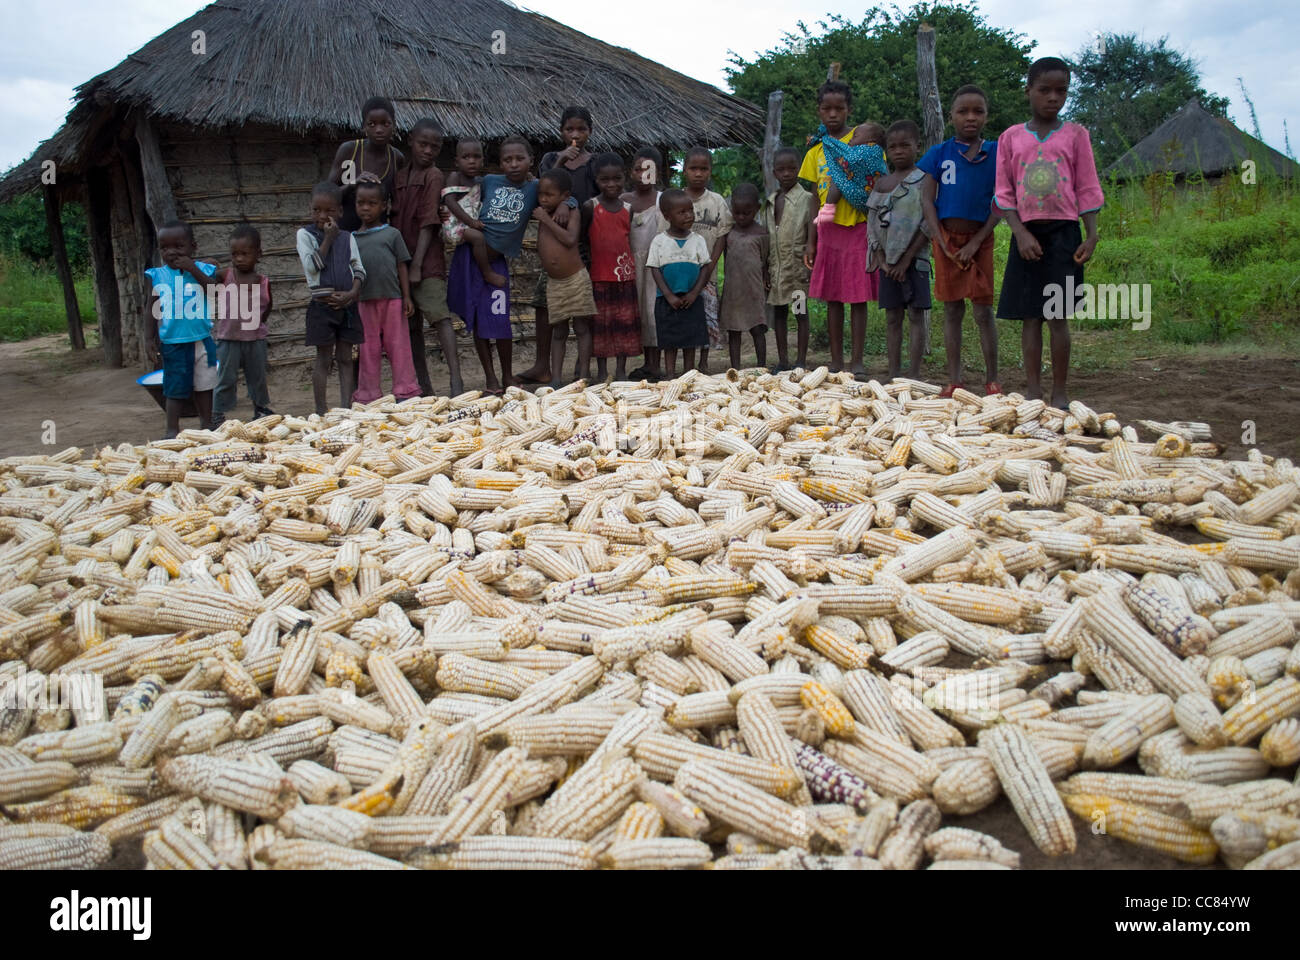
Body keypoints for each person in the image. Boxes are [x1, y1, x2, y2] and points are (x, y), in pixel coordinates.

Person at [995, 56, 1104, 408]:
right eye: (1044, 90)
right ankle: (1033, 389)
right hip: (1026, 232)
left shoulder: (1076, 135)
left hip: (1065, 233)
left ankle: (1059, 390)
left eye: (1061, 91)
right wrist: (1020, 233)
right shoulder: (1011, 137)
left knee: (1057, 315)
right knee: (1031, 315)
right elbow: (1004, 191)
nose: (1053, 97)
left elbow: (1087, 186)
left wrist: (1091, 234)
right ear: (1028, 91)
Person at [919, 85, 1001, 397]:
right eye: (963, 111)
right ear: (951, 115)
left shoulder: (995, 153)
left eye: (978, 111)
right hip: (947, 242)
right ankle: (955, 379)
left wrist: (976, 242)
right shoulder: (938, 154)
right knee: (952, 310)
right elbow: (928, 201)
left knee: (983, 310)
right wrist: (941, 241)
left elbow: (1002, 201)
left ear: (986, 116)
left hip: (980, 240)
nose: (970, 118)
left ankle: (992, 379)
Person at [800, 81, 877, 376]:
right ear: (819, 110)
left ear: (849, 110)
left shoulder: (863, 143)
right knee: (833, 297)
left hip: (858, 226)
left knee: (858, 297)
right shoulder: (815, 151)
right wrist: (811, 240)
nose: (833, 114)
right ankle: (835, 360)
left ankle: (857, 360)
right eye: (826, 109)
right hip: (827, 230)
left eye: (839, 109)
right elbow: (811, 198)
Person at [518, 106, 598, 386]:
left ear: (590, 130)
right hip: (554, 250)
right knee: (547, 307)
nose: (575, 135)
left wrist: (569, 203)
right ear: (561, 131)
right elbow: (541, 186)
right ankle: (545, 366)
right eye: (569, 130)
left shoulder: (593, 162)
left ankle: (582, 366)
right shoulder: (552, 159)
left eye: (581, 130)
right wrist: (561, 161)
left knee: (584, 312)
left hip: (582, 241)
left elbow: (593, 198)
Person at [394, 118, 461, 397]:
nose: (428, 151)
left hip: (426, 260)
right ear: (410, 141)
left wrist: (417, 264)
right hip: (400, 260)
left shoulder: (434, 176)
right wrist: (404, 264)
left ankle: (456, 381)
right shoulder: (399, 176)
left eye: (434, 147)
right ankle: (423, 385)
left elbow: (428, 222)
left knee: (439, 318)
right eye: (423, 144)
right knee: (412, 327)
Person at [868, 121, 932, 381]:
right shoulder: (881, 184)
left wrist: (906, 259)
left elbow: (928, 223)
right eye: (892, 147)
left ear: (917, 146)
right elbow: (872, 225)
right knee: (893, 318)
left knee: (916, 315)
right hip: (887, 263)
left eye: (905, 145)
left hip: (915, 260)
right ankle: (894, 373)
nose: (899, 151)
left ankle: (914, 374)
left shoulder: (924, 181)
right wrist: (881, 259)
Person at [145, 220, 219, 438]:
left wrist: (193, 268)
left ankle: (206, 424)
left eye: (178, 246)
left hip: (202, 339)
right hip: (173, 342)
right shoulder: (157, 275)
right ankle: (172, 429)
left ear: (192, 247)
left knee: (204, 386)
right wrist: (149, 338)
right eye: (164, 248)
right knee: (175, 388)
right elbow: (150, 308)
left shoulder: (204, 270)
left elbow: (213, 291)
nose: (171, 253)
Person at [297, 183, 366, 415]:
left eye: (329, 211)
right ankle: (321, 409)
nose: (322, 216)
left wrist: (352, 293)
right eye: (316, 210)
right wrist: (327, 239)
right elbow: (313, 265)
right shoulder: (305, 235)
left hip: (347, 306)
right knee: (324, 358)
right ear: (310, 209)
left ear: (340, 212)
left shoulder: (348, 237)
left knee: (346, 357)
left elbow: (359, 269)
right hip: (322, 306)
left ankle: (346, 407)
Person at [351, 180, 419, 403]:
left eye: (372, 203)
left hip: (393, 299)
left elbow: (402, 265)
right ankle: (368, 393)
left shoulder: (392, 234)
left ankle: (405, 388)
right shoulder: (352, 239)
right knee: (367, 349)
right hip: (364, 300)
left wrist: (406, 296)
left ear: (384, 206)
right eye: (361, 203)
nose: (366, 208)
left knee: (398, 345)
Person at [535, 168, 597, 389]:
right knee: (559, 330)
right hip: (555, 282)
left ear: (565, 196)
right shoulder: (543, 210)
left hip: (576, 278)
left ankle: (583, 374)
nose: (543, 198)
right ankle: (557, 378)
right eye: (541, 194)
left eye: (549, 195)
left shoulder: (571, 212)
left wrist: (547, 220)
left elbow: (571, 239)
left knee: (581, 328)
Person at [585, 153, 640, 381]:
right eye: (605, 180)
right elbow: (583, 242)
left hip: (625, 277)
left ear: (624, 178)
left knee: (624, 324)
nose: (611, 184)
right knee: (601, 326)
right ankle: (601, 371)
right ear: (596, 180)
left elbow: (629, 240)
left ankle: (620, 370)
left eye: (616, 179)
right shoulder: (591, 207)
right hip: (599, 275)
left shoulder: (629, 209)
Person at [647, 189, 712, 377]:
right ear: (668, 217)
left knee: (690, 339)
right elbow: (655, 269)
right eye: (682, 212)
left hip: (692, 298)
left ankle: (689, 373)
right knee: (670, 340)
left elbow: (705, 268)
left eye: (690, 210)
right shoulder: (659, 241)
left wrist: (694, 293)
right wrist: (668, 295)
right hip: (667, 300)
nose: (689, 215)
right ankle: (669, 374)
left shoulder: (698, 240)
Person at [212, 223, 273, 425]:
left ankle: (261, 409)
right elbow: (206, 282)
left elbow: (267, 306)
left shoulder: (263, 281)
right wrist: (206, 265)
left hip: (255, 338)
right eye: (234, 254)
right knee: (226, 378)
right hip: (228, 338)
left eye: (245, 254)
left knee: (257, 377)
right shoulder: (225, 276)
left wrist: (257, 325)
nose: (239, 258)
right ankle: (218, 414)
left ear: (258, 254)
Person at [681, 147, 732, 373]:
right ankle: (687, 363)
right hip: (682, 273)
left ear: (710, 172)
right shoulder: (677, 199)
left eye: (704, 169)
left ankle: (703, 360)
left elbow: (722, 235)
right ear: (684, 171)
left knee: (707, 318)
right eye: (693, 168)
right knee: (686, 318)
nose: (698, 174)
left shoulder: (717, 201)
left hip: (708, 273)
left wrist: (712, 263)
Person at [763, 146, 812, 371]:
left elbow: (813, 232)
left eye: (791, 169)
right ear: (774, 172)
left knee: (800, 312)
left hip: (798, 270)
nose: (786, 173)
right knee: (779, 314)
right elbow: (767, 236)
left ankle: (801, 360)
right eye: (781, 170)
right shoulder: (771, 202)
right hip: (777, 270)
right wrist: (765, 268)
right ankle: (783, 361)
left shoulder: (807, 199)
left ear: (798, 169)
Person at [623, 147, 667, 381]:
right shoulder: (624, 202)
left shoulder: (664, 201)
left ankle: (655, 364)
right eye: (638, 169)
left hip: (656, 267)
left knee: (653, 312)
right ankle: (646, 363)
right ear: (631, 173)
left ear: (657, 174)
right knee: (638, 313)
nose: (643, 175)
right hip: (631, 266)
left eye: (648, 170)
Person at [329, 96, 404, 232]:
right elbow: (328, 194)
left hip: (377, 236)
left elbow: (398, 202)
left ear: (394, 124)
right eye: (372, 124)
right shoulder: (350, 151)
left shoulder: (396, 158)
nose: (379, 130)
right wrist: (352, 184)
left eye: (385, 124)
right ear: (364, 126)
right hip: (345, 234)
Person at [716, 183, 770, 370]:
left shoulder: (762, 233)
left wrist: (765, 281)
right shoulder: (729, 232)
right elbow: (725, 257)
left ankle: (761, 366)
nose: (740, 217)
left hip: (754, 289)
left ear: (756, 209)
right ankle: (735, 368)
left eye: (746, 213)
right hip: (733, 290)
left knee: (757, 328)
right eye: (736, 213)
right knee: (734, 330)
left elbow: (765, 260)